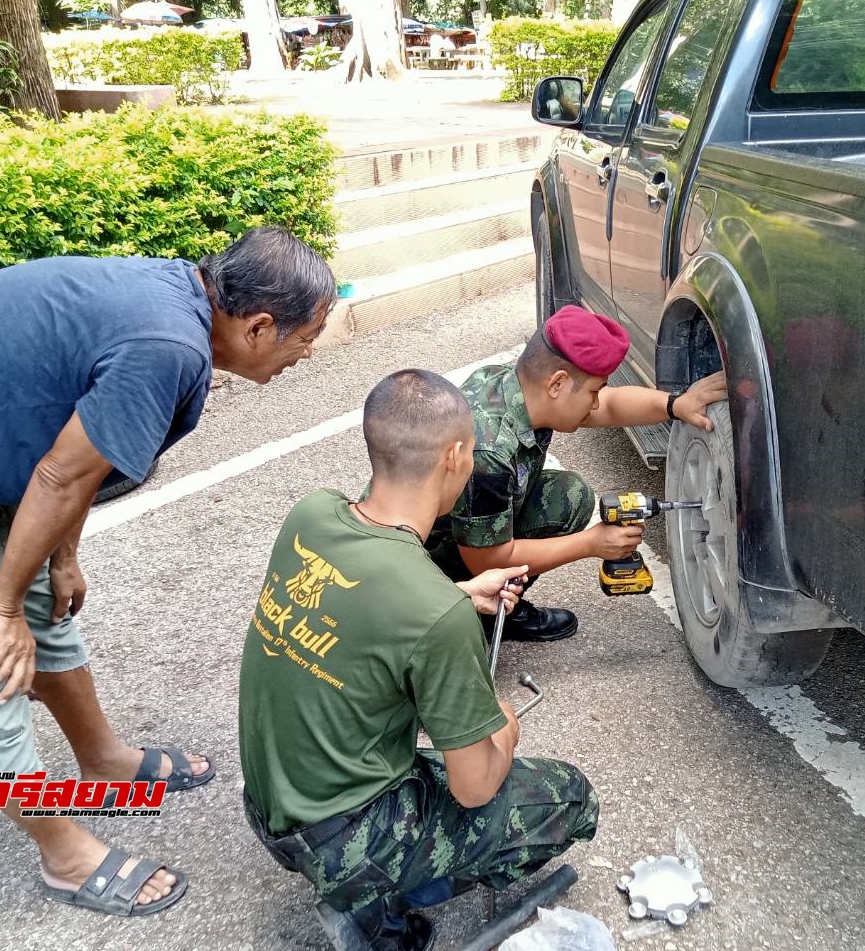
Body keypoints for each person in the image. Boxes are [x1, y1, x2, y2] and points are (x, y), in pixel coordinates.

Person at [0, 225, 337, 916]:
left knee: (46, 611)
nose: (308, 352)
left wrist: (61, 555)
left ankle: (102, 758)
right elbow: (59, 472)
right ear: (259, 325)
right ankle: (64, 854)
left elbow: (78, 454)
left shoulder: (177, 300)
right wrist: (1, 610)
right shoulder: (166, 344)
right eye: (308, 335)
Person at [240, 369, 599, 951]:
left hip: (267, 805)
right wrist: (503, 725)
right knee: (570, 798)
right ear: (456, 456)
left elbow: (357, 597)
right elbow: (475, 788)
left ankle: (366, 884)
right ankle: (377, 907)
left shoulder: (311, 514)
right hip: (342, 844)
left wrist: (462, 592)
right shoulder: (435, 616)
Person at [425, 305, 727, 642]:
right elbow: (487, 561)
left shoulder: (518, 389)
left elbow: (611, 405)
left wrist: (675, 404)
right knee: (540, 521)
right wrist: (590, 544)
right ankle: (469, 616)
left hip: (465, 530)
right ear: (557, 383)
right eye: (592, 393)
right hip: (425, 566)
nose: (595, 403)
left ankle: (496, 607)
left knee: (569, 495)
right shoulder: (489, 452)